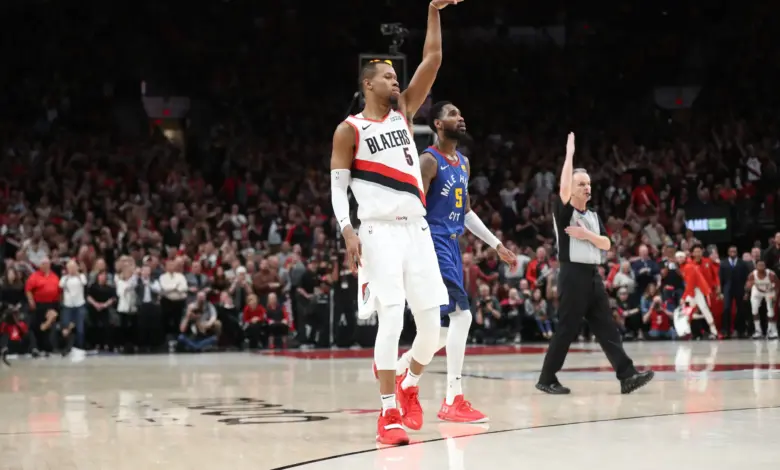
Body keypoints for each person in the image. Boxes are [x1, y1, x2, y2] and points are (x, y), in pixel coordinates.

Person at [329, 0, 463, 445]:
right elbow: (338, 187)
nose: (396, 81)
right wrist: (347, 230)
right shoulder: (349, 130)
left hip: (416, 229)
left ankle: (408, 382)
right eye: (387, 77)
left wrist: (433, 11)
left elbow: (433, 59)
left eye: (396, 77)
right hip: (378, 231)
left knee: (432, 329)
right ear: (368, 83)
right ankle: (387, 413)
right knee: (390, 319)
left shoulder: (404, 112)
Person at [385, 101, 513, 423]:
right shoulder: (429, 161)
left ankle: (403, 370)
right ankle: (452, 398)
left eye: (460, 112)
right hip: (432, 242)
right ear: (438, 124)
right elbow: (412, 208)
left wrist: (496, 244)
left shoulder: (464, 163)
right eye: (453, 113)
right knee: (463, 316)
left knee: (441, 332)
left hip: (452, 245)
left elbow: (465, 212)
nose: (460, 117)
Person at [536, 133, 654, 395]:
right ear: (572, 188)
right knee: (566, 329)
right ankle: (547, 378)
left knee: (606, 327)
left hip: (592, 275)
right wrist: (569, 154)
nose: (587, 188)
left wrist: (587, 235)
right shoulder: (564, 211)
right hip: (572, 275)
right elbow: (563, 188)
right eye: (581, 184)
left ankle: (627, 375)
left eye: (588, 184)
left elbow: (606, 244)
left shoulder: (592, 215)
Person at [745, 259, 778, 339]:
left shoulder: (771, 274)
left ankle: (770, 331)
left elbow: (778, 285)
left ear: (765, 266)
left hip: (769, 291)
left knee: (770, 311)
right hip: (757, 291)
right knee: (754, 310)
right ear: (756, 266)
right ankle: (758, 331)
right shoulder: (752, 275)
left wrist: (776, 295)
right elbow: (746, 287)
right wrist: (747, 289)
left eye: (762, 265)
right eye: (759, 265)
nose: (761, 267)